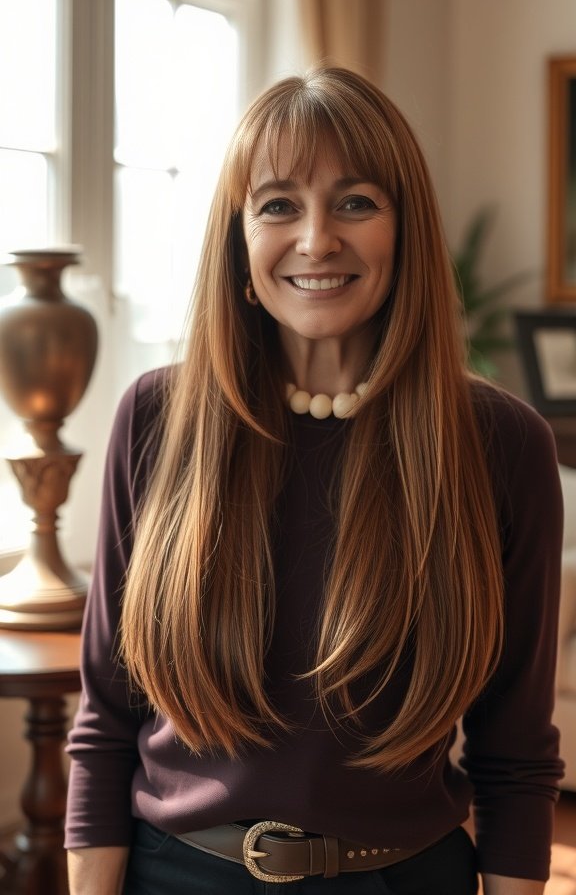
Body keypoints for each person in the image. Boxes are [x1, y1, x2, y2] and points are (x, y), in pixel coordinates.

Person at [65, 65, 564, 895]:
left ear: (405, 231)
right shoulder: (157, 418)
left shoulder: (502, 443)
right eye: (278, 205)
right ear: (240, 239)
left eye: (356, 202)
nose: (317, 238)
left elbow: (515, 752)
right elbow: (106, 721)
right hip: (174, 876)